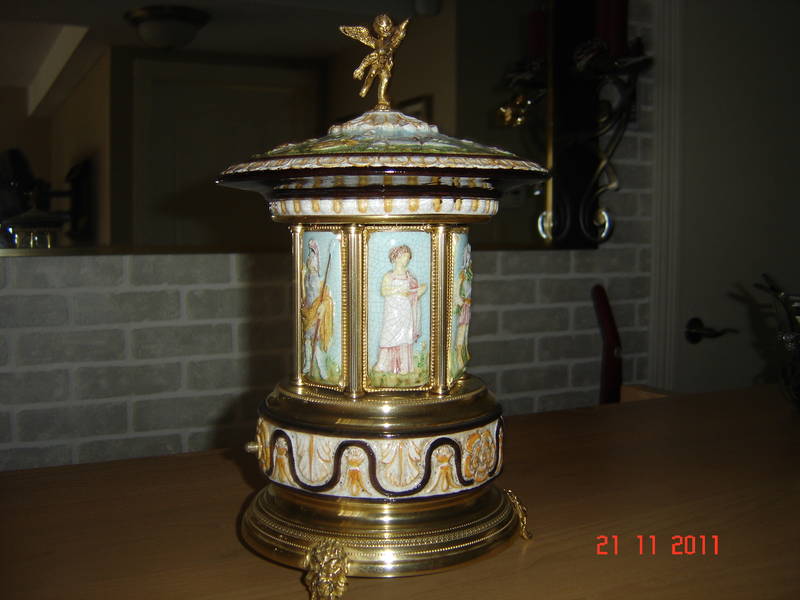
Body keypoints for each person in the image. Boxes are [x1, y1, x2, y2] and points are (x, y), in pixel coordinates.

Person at [374, 244, 427, 375]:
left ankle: (404, 367)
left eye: (408, 257)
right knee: (388, 335)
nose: (406, 260)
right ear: (396, 258)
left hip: (405, 310)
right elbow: (384, 291)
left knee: (405, 337)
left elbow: (415, 292)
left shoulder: (410, 277)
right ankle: (382, 364)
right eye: (404, 257)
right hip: (392, 311)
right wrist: (399, 290)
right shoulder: (389, 276)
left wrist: (420, 289)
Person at [301, 239, 333, 381]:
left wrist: (323, 305)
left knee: (315, 341)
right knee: (307, 341)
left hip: (316, 312)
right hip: (308, 311)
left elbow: (326, 297)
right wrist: (302, 277)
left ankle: (322, 369)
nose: (309, 260)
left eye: (312, 258)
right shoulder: (307, 277)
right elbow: (304, 295)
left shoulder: (319, 279)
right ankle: (307, 364)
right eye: (309, 258)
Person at [452, 243, 473, 378]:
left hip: (465, 307)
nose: (468, 260)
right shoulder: (461, 276)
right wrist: (461, 302)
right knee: (459, 334)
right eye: (466, 257)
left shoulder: (468, 274)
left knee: (464, 332)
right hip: (461, 308)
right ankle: (458, 359)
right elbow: (456, 292)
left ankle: (461, 360)